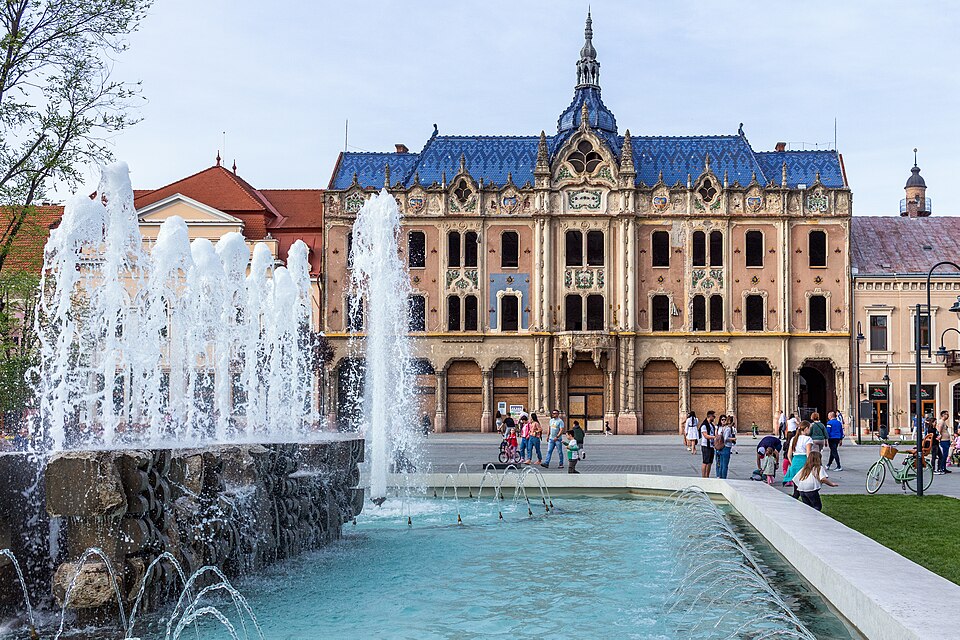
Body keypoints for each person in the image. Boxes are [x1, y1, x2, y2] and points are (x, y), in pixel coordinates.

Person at [784, 422, 813, 490]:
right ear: (806, 428)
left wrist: (792, 463)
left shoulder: (793, 439)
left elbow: (789, 455)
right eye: (809, 429)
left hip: (795, 461)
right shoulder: (808, 439)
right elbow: (808, 453)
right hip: (804, 461)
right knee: (804, 486)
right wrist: (811, 464)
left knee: (796, 487)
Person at [699, 412, 717, 478]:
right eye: (713, 416)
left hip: (711, 445)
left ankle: (707, 476)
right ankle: (703, 476)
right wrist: (714, 437)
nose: (714, 418)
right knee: (705, 461)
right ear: (710, 416)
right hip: (706, 445)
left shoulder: (711, 425)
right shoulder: (704, 425)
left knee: (710, 462)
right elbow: (705, 435)